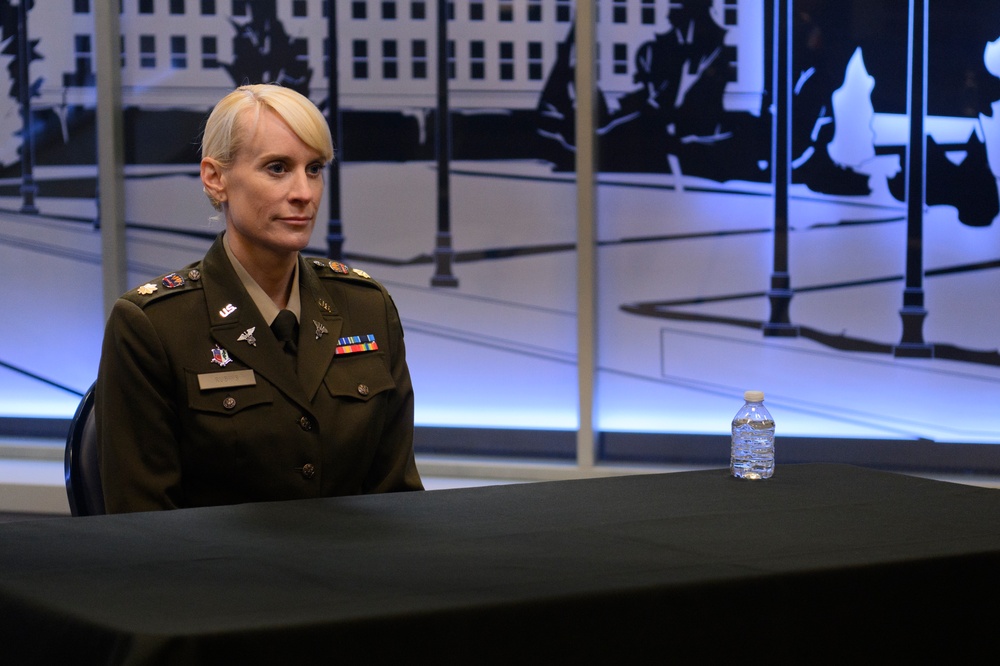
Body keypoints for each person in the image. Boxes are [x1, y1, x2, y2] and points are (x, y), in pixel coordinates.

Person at [95, 84, 423, 513]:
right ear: (216, 179)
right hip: (218, 578)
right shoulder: (154, 325)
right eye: (277, 168)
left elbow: (396, 501)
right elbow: (143, 529)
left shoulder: (366, 308)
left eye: (314, 168)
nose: (304, 192)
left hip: (353, 574)